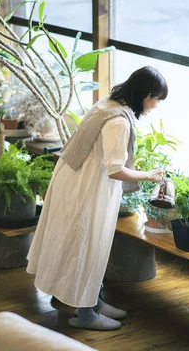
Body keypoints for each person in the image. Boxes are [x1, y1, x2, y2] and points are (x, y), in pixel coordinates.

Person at [26, 66, 168, 331]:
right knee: (88, 245)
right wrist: (148, 175)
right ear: (146, 94)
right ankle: (85, 313)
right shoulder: (119, 121)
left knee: (84, 243)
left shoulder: (109, 103)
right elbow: (116, 169)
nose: (156, 105)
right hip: (89, 188)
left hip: (74, 177)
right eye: (157, 99)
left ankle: (92, 301)